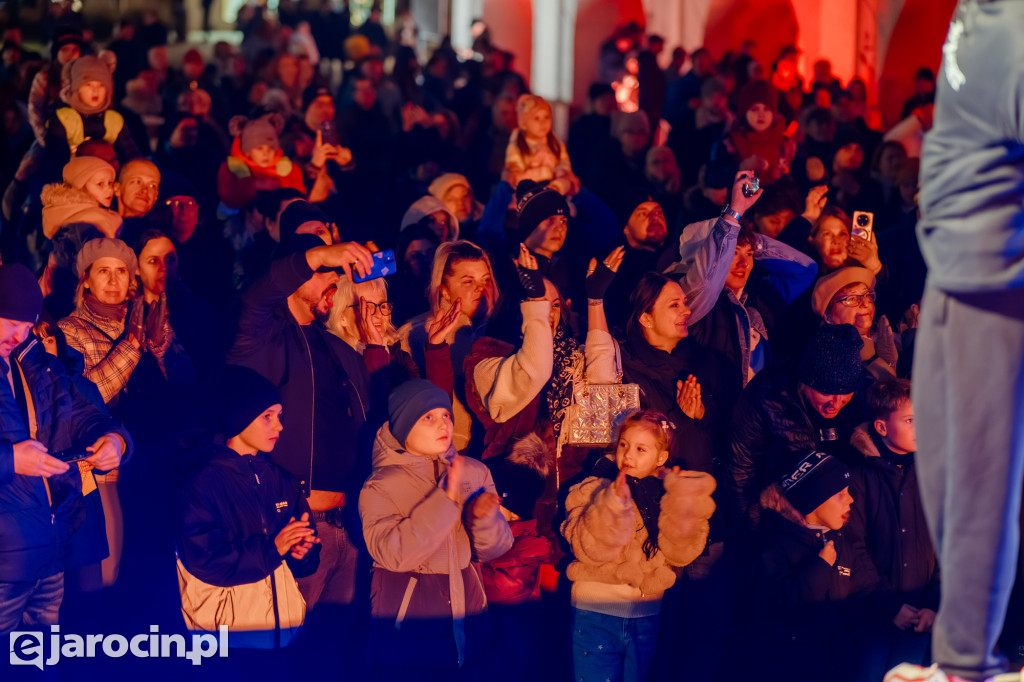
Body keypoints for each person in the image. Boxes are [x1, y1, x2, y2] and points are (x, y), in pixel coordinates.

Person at [888, 4, 1024, 680]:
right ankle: (959, 657)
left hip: (994, 272)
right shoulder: (984, 15)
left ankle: (968, 661)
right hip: (951, 265)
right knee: (947, 467)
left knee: (978, 471)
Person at [226, 232, 374, 669]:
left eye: (335, 272)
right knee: (282, 655)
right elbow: (254, 299)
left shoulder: (337, 348)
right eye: (325, 272)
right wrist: (318, 255)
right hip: (294, 522)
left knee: (330, 657)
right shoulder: (262, 339)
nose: (335, 280)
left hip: (346, 525)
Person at [0, 263, 131, 636]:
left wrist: (114, 442)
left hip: (51, 553)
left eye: (27, 325)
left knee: (41, 661)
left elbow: (89, 415)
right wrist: (12, 459)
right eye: (11, 322)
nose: (20, 334)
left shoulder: (37, 365)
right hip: (5, 562)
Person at [359, 379, 513, 680]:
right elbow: (396, 554)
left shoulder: (473, 471)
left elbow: (495, 549)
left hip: (469, 619)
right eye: (427, 417)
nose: (442, 423)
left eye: (445, 415)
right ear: (403, 426)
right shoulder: (379, 485)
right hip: (409, 629)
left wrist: (483, 521)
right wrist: (446, 499)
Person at [177, 365, 321, 658]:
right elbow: (206, 560)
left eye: (279, 416)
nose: (279, 426)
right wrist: (273, 548)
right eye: (267, 416)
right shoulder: (202, 482)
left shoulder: (282, 480)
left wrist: (303, 552)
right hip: (228, 641)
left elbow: (302, 556)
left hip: (284, 635)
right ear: (237, 418)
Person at [561, 410, 715, 682]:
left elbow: (680, 554)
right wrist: (609, 507)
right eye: (624, 445)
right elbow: (586, 547)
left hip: (646, 614)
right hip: (596, 611)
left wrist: (682, 503)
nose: (628, 455)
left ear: (661, 457)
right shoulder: (592, 487)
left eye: (640, 449)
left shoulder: (664, 496)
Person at [750, 450, 877, 682]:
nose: (850, 499)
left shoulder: (840, 541)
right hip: (794, 668)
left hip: (840, 665)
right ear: (813, 501)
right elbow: (782, 606)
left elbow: (863, 590)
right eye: (840, 493)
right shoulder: (775, 548)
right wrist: (820, 566)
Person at [729, 323, 867, 526]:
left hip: (838, 520)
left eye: (844, 393)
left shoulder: (859, 402)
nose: (835, 404)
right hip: (782, 527)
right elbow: (741, 474)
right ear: (805, 382)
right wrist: (751, 533)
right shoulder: (766, 395)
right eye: (826, 392)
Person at [848, 378, 937, 678]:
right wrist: (888, 605)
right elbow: (852, 547)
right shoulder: (859, 476)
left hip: (921, 615)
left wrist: (934, 603)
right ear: (882, 427)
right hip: (875, 617)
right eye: (911, 420)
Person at [44, 54, 141, 174]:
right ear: (76, 88)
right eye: (88, 84)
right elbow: (55, 159)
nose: (95, 90)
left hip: (108, 180)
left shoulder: (114, 120)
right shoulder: (63, 118)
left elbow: (129, 153)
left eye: (101, 85)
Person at [811, 267, 899, 381]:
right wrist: (878, 362)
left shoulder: (893, 339)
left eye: (867, 295)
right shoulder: (827, 355)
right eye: (851, 298)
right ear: (828, 316)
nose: (864, 303)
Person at [505, 94, 579, 196]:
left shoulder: (555, 143)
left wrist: (561, 173)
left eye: (546, 117)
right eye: (536, 118)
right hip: (530, 187)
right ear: (524, 123)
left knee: (569, 181)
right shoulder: (518, 144)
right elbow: (515, 170)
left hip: (553, 183)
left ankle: (553, 191)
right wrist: (543, 172)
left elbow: (563, 163)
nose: (543, 122)